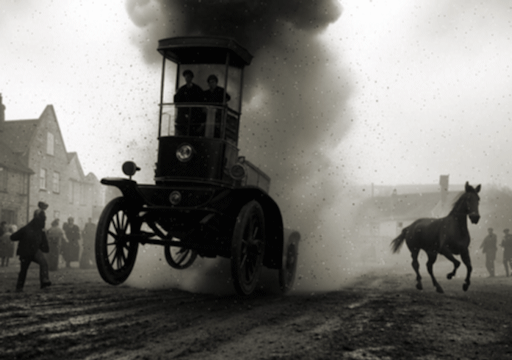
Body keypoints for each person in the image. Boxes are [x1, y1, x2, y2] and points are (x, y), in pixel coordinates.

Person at [10, 206, 51, 291]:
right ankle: (43, 282)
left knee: (24, 270)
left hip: (27, 252)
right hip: (31, 251)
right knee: (42, 264)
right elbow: (13, 237)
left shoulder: (28, 228)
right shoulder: (38, 230)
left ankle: (20, 287)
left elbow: (13, 237)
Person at [174, 70, 204, 135]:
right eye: (186, 77)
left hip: (195, 117)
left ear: (191, 78)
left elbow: (201, 101)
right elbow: (177, 101)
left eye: (189, 77)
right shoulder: (181, 89)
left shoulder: (197, 89)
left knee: (193, 134)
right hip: (183, 118)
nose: (187, 78)